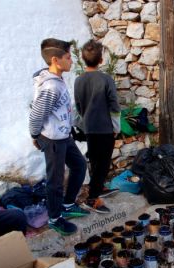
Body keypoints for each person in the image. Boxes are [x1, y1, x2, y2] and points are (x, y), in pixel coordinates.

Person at [29, 38, 89, 236]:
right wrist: (35, 135)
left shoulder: (57, 79)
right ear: (55, 60)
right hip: (53, 139)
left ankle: (68, 204)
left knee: (79, 165)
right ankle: (55, 218)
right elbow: (38, 114)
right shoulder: (50, 87)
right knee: (54, 181)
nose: (71, 61)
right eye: (68, 57)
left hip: (64, 135)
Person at [74, 40, 121, 213]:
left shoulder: (78, 80)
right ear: (101, 60)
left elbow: (78, 106)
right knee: (103, 163)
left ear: (83, 59)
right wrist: (116, 127)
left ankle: (99, 187)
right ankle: (92, 198)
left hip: (89, 128)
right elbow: (114, 106)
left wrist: (85, 122)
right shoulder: (106, 79)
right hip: (105, 129)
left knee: (95, 160)